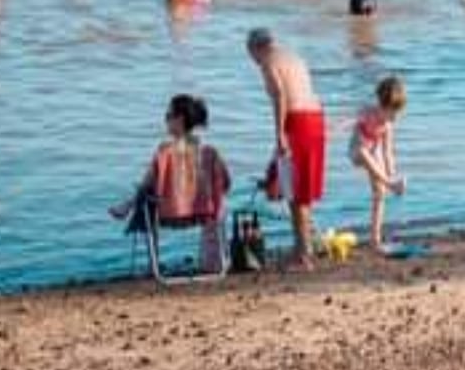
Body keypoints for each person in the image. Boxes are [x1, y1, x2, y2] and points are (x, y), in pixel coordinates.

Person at [109, 94, 230, 272]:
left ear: (179, 120)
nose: (165, 120)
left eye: (168, 116)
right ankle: (215, 260)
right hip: (204, 213)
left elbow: (149, 183)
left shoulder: (165, 152)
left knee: (146, 197)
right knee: (218, 197)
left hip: (169, 214)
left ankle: (154, 264)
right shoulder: (210, 152)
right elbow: (226, 183)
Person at [247, 29, 325, 268]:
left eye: (251, 55)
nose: (253, 61)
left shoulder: (268, 62)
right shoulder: (294, 58)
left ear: (256, 48)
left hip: (298, 121)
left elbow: (280, 96)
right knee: (302, 190)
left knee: (295, 194)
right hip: (316, 119)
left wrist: (279, 134)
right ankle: (304, 247)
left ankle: (303, 255)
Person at [350, 76, 407, 252]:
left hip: (374, 154)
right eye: (392, 112)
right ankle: (390, 184)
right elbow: (359, 142)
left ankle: (375, 239)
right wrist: (359, 120)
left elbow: (388, 151)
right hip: (358, 152)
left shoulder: (388, 124)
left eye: (398, 112)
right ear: (382, 106)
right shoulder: (367, 114)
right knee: (363, 151)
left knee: (380, 193)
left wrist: (391, 173)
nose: (395, 117)